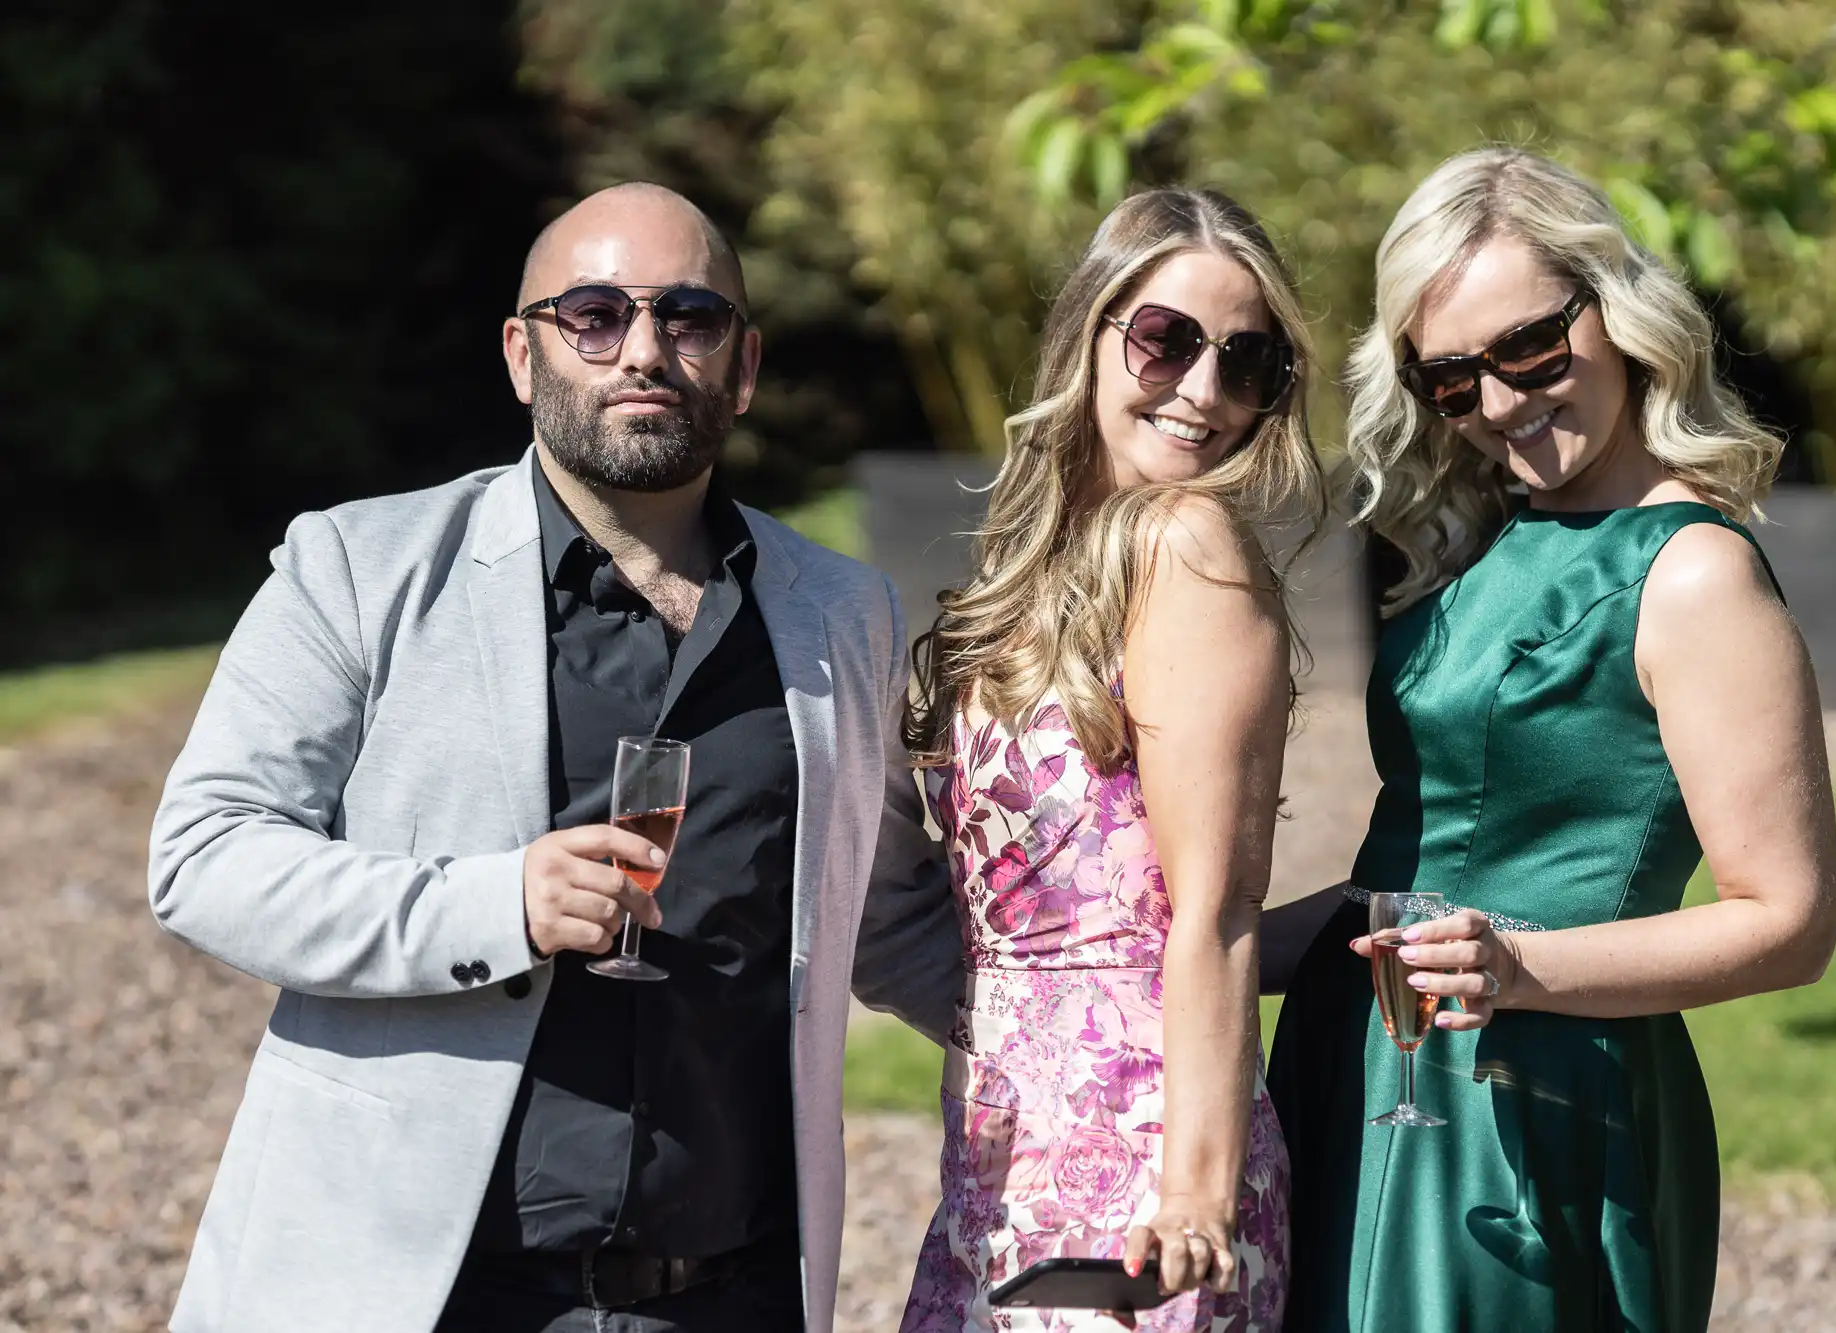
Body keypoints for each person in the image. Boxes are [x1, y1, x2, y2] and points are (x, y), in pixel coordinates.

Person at [147, 182, 961, 1333]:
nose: (642, 350)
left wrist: (1157, 1004)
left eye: (688, 317)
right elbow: (205, 857)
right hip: (423, 1290)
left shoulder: (845, 612)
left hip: (729, 1296)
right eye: (592, 314)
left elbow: (888, 916)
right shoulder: (359, 568)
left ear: (743, 363)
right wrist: (495, 902)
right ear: (522, 355)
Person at [1263, 147, 1836, 1333]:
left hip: (1531, 1096)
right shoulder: (1478, 548)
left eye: (1528, 349)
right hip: (1363, 1063)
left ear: (1615, 308)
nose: (1501, 402)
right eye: (1452, 380)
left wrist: (1522, 972)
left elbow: (1788, 920)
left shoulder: (1689, 573)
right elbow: (1411, 876)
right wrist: (1188, 951)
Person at [896, 187, 1322, 1332]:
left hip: (1139, 1167)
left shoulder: (1186, 544)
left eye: (1248, 363)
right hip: (995, 1160)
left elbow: (1213, 910)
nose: (1202, 391)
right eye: (1166, 340)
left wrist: (1193, 1196)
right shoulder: (1037, 569)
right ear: (1088, 330)